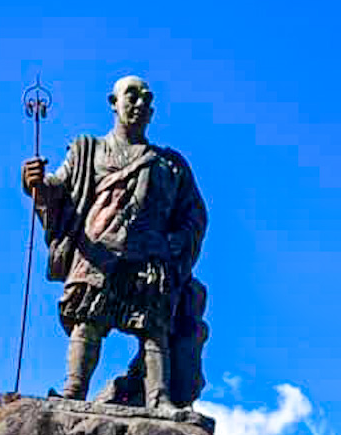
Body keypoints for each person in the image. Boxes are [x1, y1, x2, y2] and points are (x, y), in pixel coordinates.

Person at [21, 75, 208, 409]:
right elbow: (57, 189)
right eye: (132, 96)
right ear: (113, 102)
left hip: (150, 255)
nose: (140, 104)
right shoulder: (88, 149)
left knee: (153, 328)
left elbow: (194, 213)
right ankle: (74, 391)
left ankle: (159, 397)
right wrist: (34, 182)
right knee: (88, 322)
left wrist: (177, 242)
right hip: (98, 251)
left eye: (147, 99)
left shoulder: (170, 164)